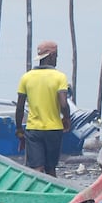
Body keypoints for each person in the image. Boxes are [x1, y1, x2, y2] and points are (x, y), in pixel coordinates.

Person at [15, 40, 72, 177]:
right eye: (56, 56)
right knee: (51, 168)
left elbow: (20, 107)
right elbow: (63, 104)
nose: (56, 59)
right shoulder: (60, 77)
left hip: (33, 129)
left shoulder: (26, 77)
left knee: (37, 168)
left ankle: (36, 194)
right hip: (54, 129)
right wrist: (67, 119)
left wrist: (19, 129)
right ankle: (53, 195)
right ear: (51, 56)